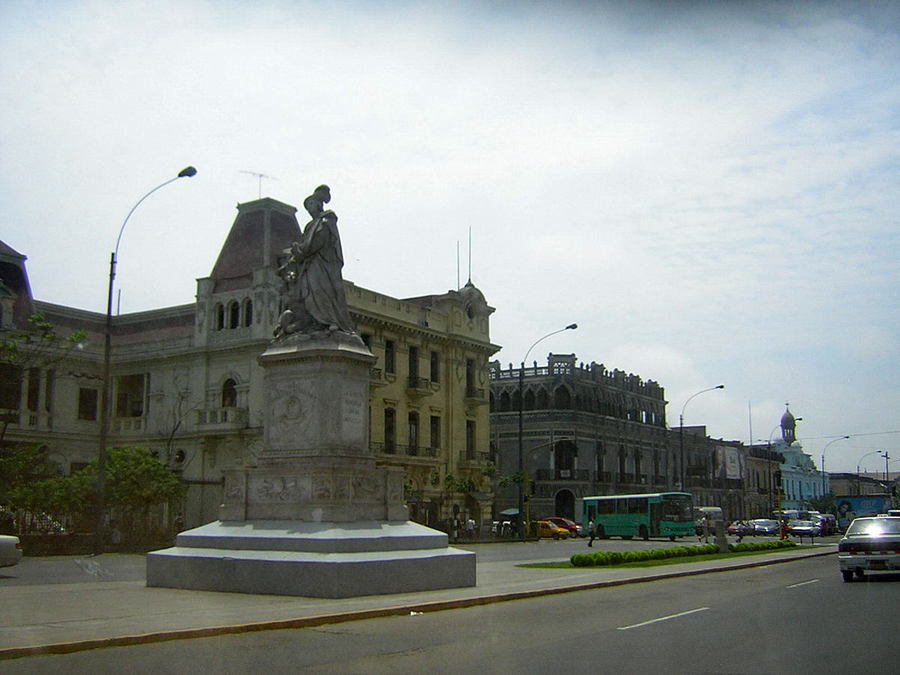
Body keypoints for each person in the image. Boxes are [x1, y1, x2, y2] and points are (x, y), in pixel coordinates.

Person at [275, 185, 355, 337]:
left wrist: (300, 250)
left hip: (322, 264)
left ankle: (329, 320)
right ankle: (313, 322)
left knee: (321, 291)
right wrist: (296, 255)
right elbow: (305, 244)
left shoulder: (327, 219)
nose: (309, 208)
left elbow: (319, 240)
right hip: (309, 265)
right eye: (307, 206)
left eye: (311, 204)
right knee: (307, 293)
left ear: (319, 203)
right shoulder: (310, 225)